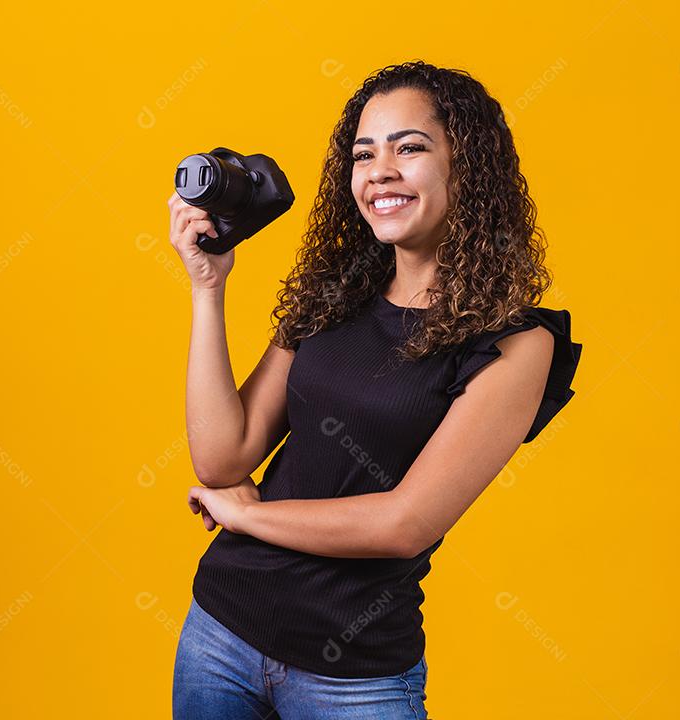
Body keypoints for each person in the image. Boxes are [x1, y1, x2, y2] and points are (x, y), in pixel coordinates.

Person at [167, 60, 583, 720]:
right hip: (221, 637)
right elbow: (222, 459)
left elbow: (403, 523)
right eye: (364, 154)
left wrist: (245, 516)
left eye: (409, 147)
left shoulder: (514, 341)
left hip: (352, 680)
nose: (380, 170)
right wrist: (207, 287)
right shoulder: (334, 296)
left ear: (466, 165)